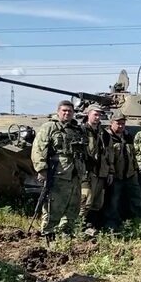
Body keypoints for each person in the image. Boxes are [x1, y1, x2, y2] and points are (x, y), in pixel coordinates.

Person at [30, 100, 87, 241]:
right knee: (53, 205)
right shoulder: (50, 127)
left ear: (74, 113)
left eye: (70, 111)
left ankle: (66, 233)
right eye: (64, 111)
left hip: (75, 173)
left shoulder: (77, 129)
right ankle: (48, 234)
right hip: (58, 173)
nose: (67, 113)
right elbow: (38, 148)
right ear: (58, 112)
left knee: (72, 206)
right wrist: (41, 169)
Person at [103, 111, 141, 230]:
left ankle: (136, 221)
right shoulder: (106, 136)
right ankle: (112, 224)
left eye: (123, 123)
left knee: (136, 198)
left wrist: (135, 170)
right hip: (115, 175)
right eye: (118, 123)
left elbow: (133, 154)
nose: (120, 126)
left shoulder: (127, 135)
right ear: (111, 123)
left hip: (130, 173)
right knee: (113, 200)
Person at [79, 104, 112, 230]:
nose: (98, 117)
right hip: (87, 172)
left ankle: (90, 226)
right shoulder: (81, 131)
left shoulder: (104, 134)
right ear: (88, 114)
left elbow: (109, 155)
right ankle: (78, 227)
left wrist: (110, 172)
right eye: (95, 114)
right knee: (85, 202)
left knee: (97, 203)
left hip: (101, 173)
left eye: (99, 115)